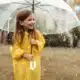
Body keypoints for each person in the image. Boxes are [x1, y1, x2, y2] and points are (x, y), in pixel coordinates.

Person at [10, 9, 45, 80]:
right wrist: (24, 54)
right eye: (29, 20)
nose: (32, 22)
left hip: (33, 62)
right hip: (21, 64)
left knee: (33, 77)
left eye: (33, 19)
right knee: (22, 77)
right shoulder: (17, 35)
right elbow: (14, 48)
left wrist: (36, 42)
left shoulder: (37, 33)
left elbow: (42, 42)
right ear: (21, 22)